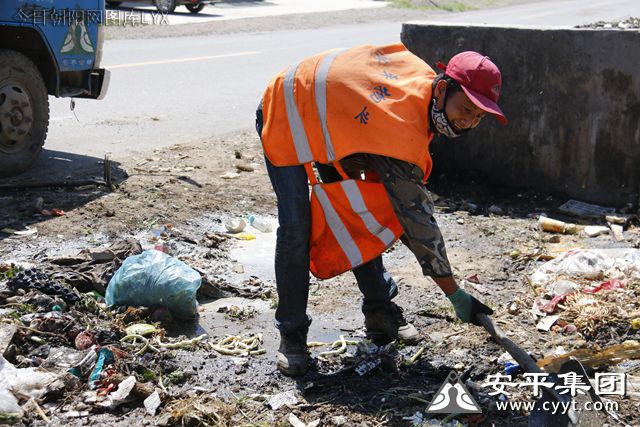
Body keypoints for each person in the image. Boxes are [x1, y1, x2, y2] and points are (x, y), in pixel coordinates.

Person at [255, 42, 507, 377]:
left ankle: (379, 311)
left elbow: (405, 211)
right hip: (288, 108)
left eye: (479, 117)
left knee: (362, 209)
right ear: (442, 89)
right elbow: (417, 222)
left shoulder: (424, 98)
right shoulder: (400, 125)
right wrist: (455, 295)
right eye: (466, 109)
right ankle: (292, 335)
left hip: (336, 119)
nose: (468, 122)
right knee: (296, 225)